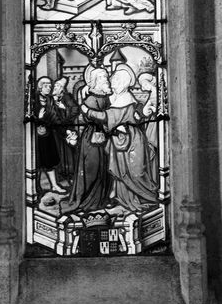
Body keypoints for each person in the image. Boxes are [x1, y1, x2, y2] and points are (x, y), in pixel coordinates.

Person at [83, 64, 158, 212]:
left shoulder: (126, 99)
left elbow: (107, 117)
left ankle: (142, 196)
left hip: (131, 142)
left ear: (123, 83)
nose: (112, 82)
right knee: (120, 169)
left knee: (135, 171)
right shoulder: (117, 98)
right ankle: (122, 197)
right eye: (112, 80)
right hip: (120, 140)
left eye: (115, 80)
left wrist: (87, 111)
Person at [60, 66, 112, 214]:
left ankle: (100, 199)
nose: (106, 79)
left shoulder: (104, 97)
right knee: (92, 169)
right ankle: (87, 200)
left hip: (103, 136)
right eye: (102, 77)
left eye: (106, 76)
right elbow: (94, 118)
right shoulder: (91, 99)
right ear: (95, 81)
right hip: (92, 138)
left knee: (103, 168)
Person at [33, 76, 67, 195]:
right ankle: (35, 187)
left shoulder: (50, 100)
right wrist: (39, 118)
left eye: (50, 86)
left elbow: (54, 117)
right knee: (36, 161)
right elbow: (28, 116)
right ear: (40, 87)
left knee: (50, 161)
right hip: (35, 136)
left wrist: (65, 131)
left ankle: (54, 185)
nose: (49, 88)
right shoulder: (33, 100)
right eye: (46, 86)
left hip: (48, 135)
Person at [52, 76, 79, 181]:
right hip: (56, 129)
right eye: (56, 84)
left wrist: (65, 108)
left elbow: (75, 109)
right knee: (58, 150)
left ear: (63, 89)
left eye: (59, 86)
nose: (56, 87)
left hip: (67, 127)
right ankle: (60, 174)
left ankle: (71, 174)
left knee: (68, 152)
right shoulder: (50, 97)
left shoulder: (67, 97)